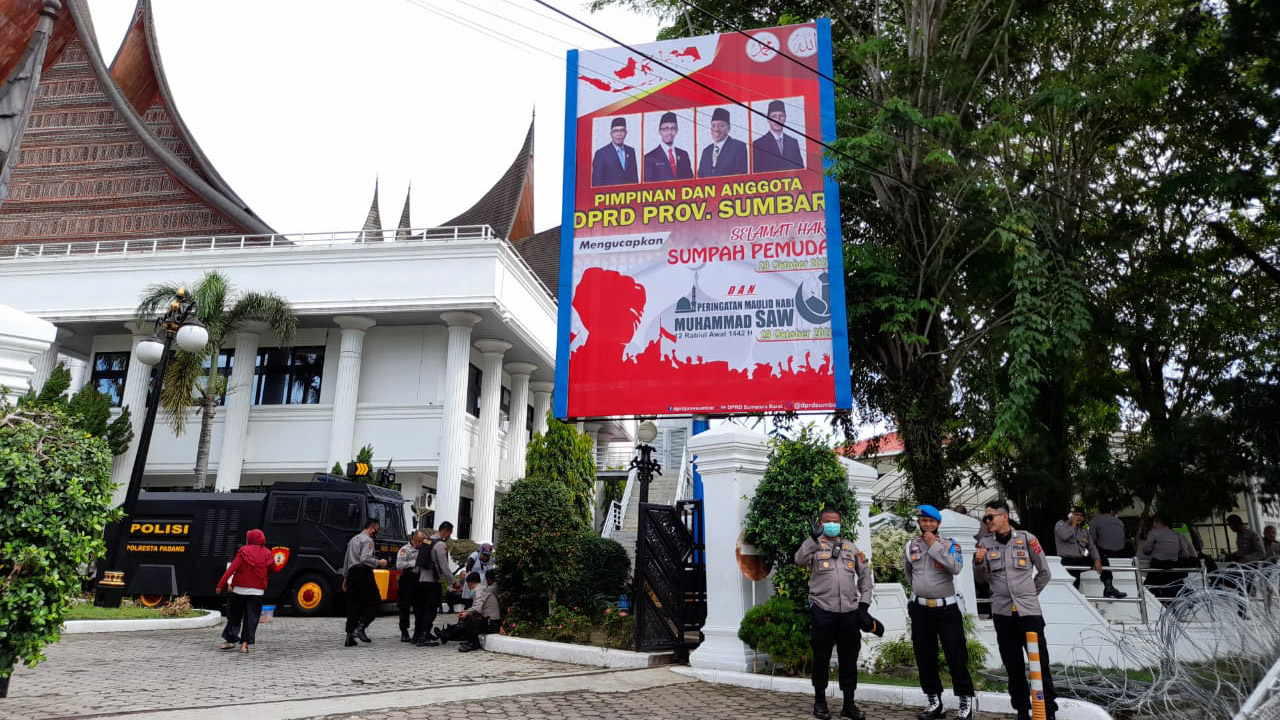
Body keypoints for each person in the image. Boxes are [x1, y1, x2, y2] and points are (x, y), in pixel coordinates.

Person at [975, 499, 1058, 720]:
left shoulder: (1027, 540)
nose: (987, 521)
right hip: (1003, 613)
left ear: (1004, 516)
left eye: (990, 517)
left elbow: (1044, 573)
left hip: (1028, 612)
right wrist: (977, 562)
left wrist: (1029, 594)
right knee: (1013, 665)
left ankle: (1048, 710)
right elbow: (981, 580)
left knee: (1040, 662)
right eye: (985, 518)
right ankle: (1022, 710)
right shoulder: (984, 543)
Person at [795, 506, 874, 720]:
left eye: (836, 521)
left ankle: (849, 704)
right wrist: (811, 540)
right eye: (827, 521)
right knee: (821, 658)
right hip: (823, 609)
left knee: (849, 659)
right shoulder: (814, 547)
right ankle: (820, 702)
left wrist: (864, 605)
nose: (832, 524)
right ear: (820, 524)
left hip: (849, 612)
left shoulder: (850, 547)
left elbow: (865, 576)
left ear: (841, 523)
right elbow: (799, 560)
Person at [904, 505, 975, 720]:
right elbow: (909, 573)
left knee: (956, 656)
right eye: (923, 521)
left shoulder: (951, 545)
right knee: (925, 656)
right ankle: (934, 703)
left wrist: (934, 546)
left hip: (947, 608)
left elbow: (955, 567)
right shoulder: (911, 546)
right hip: (921, 609)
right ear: (919, 522)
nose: (927, 525)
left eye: (931, 521)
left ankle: (965, 703)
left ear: (938, 524)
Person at [215, 528, 278, 653]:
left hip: (239, 591)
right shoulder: (267, 552)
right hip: (257, 592)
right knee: (251, 618)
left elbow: (231, 569)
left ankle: (230, 640)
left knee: (234, 616)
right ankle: (244, 644)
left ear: (250, 539)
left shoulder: (243, 551)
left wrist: (220, 585)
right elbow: (273, 568)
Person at [342, 518, 387, 647]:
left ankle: (349, 636)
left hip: (352, 575)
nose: (376, 533)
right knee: (375, 602)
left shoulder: (353, 539)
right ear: (371, 528)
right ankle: (361, 628)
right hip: (363, 573)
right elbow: (365, 558)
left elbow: (346, 560)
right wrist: (379, 562)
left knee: (353, 605)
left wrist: (345, 578)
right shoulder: (368, 540)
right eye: (376, 530)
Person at [413, 520, 454, 646]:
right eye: (449, 534)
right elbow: (444, 566)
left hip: (421, 580)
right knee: (431, 611)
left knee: (421, 609)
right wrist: (453, 582)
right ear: (445, 531)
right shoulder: (440, 545)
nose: (449, 537)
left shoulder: (427, 541)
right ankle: (423, 637)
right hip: (433, 582)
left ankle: (417, 635)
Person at [1140, 515, 1196, 599]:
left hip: (1157, 568)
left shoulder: (1153, 533)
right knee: (1172, 589)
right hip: (1173, 569)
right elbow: (1185, 554)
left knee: (1147, 590)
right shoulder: (1176, 535)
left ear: (1156, 522)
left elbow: (1146, 549)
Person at [1054, 507, 1105, 594]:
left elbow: (1092, 548)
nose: (1079, 517)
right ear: (1070, 515)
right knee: (1073, 586)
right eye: (1076, 515)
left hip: (1079, 559)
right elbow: (1064, 536)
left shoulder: (1084, 531)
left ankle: (1108, 587)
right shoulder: (1060, 524)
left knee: (1103, 559)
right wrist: (1072, 524)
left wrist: (1096, 559)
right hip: (1066, 560)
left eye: (1081, 515)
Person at [1088, 506, 1129, 599]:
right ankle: (1109, 587)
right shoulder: (1119, 522)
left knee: (1098, 554)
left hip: (1105, 553)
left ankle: (1108, 586)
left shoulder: (1095, 520)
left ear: (1098, 511)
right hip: (1122, 552)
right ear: (1111, 511)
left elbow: (1092, 540)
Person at [751, 99, 804, 172]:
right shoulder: (758, 144)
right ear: (768, 119)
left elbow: (801, 170)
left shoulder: (793, 142)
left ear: (785, 117)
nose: (777, 119)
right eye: (774, 116)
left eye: (781, 116)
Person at [697, 107, 748, 178]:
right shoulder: (706, 151)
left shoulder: (738, 147)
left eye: (721, 126)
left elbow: (741, 177)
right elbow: (700, 179)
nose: (716, 129)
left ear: (729, 128)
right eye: (713, 126)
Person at [395, 530, 426, 643]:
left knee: (419, 607)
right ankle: (404, 631)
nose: (421, 544)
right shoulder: (405, 550)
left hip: (420, 580)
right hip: (408, 579)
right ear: (413, 539)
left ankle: (418, 632)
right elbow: (399, 564)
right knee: (404, 607)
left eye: (423, 541)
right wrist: (414, 563)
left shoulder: (424, 549)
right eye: (419, 541)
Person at [643, 112, 693, 182]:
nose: (669, 132)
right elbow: (648, 188)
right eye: (666, 129)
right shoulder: (649, 158)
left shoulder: (684, 155)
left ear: (677, 131)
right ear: (659, 131)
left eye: (673, 128)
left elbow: (690, 182)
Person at [591, 117, 638, 186]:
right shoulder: (601, 154)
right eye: (615, 131)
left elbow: (635, 179)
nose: (619, 134)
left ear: (626, 133)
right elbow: (596, 182)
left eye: (622, 130)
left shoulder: (631, 151)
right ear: (611, 134)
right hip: (609, 195)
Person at [461, 542, 495, 609]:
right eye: (484, 554)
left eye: (487, 555)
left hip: (483, 585)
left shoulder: (491, 560)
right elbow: (468, 567)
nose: (485, 557)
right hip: (472, 582)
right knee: (469, 603)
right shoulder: (475, 555)